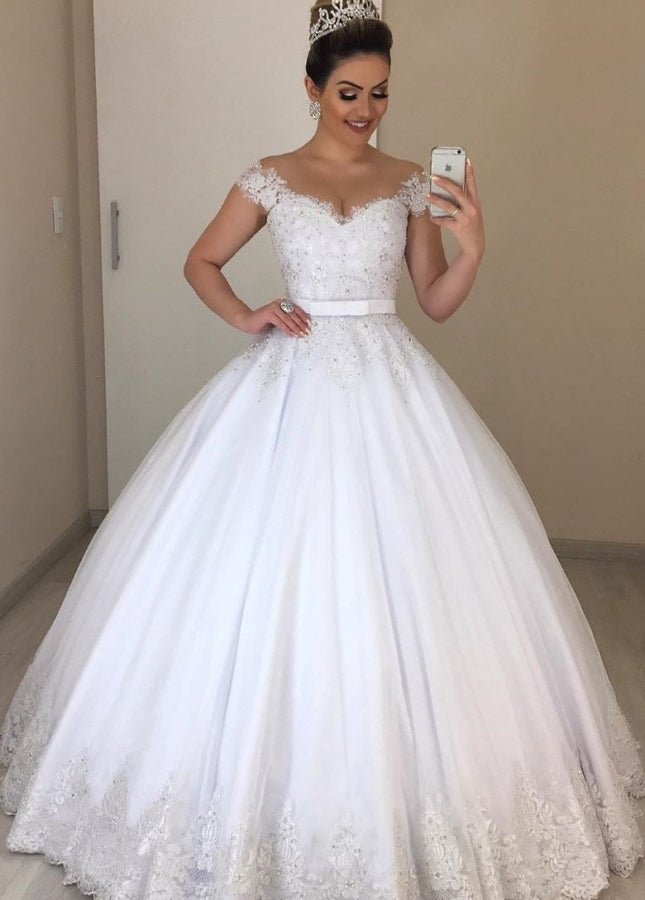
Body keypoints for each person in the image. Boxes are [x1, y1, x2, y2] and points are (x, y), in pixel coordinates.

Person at [1, 1, 643, 896]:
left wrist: (472, 245)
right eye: (348, 93)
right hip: (290, 379)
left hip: (390, 378)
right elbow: (200, 261)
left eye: (380, 93)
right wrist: (247, 315)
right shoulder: (268, 178)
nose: (365, 110)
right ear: (311, 87)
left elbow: (435, 302)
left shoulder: (412, 183)